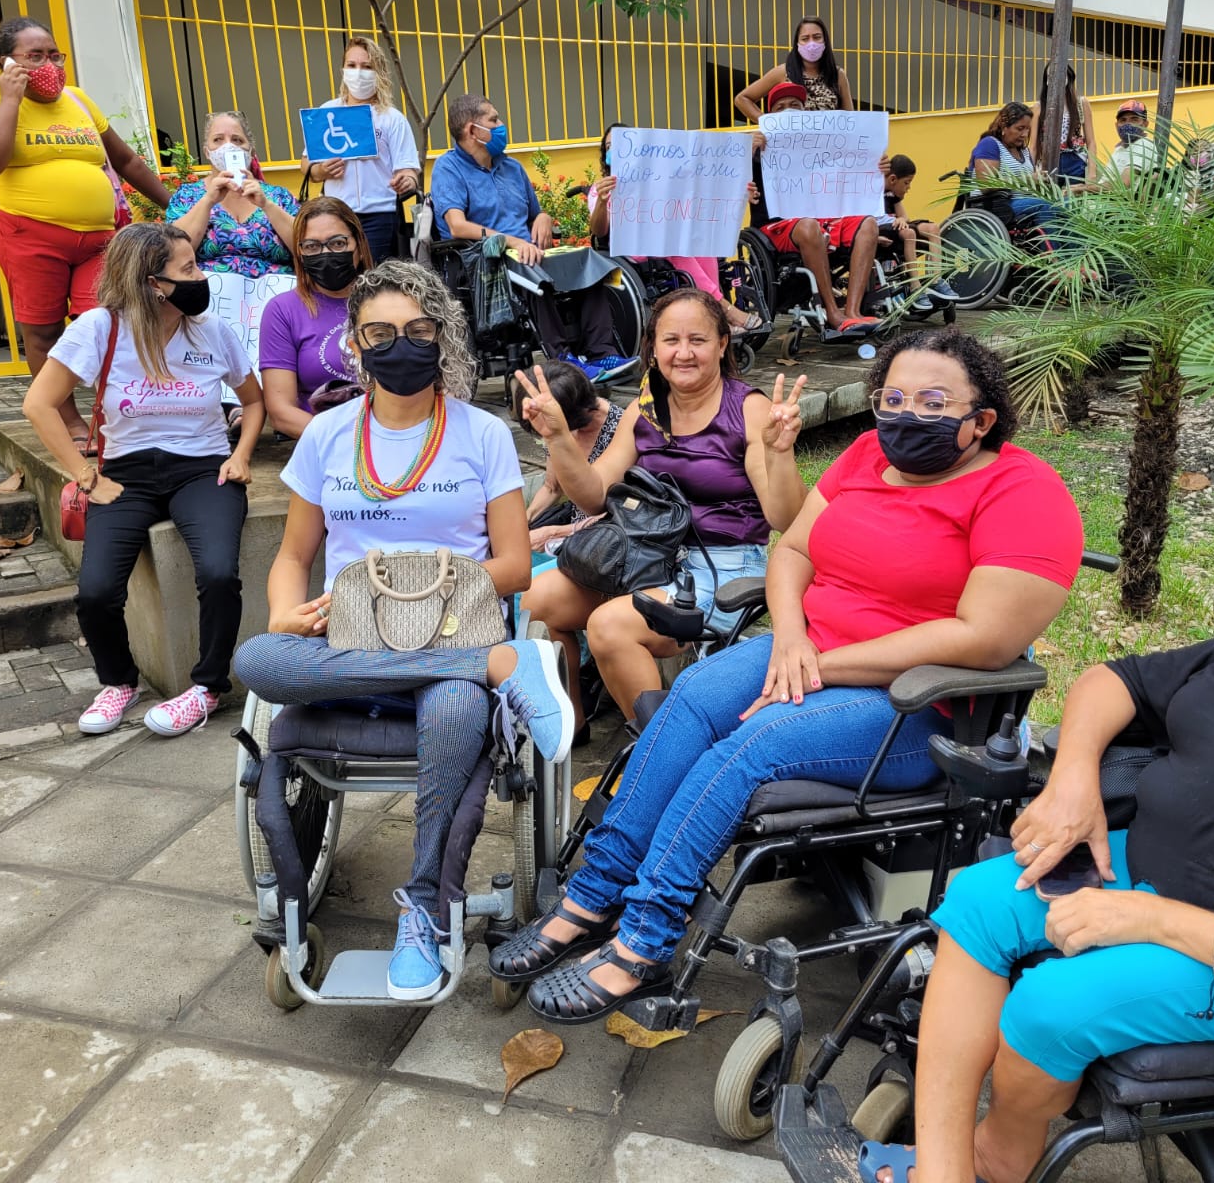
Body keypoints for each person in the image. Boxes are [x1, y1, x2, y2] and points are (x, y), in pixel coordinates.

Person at [862, 462, 1214, 1183]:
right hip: (1154, 875)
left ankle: (1000, 1154)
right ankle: (944, 1173)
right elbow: (1120, 680)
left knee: (1051, 1005)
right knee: (979, 901)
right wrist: (1074, 780)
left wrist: (1157, 921)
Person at [493, 328, 1085, 1022]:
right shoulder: (866, 454)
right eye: (892, 397)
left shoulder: (1023, 492)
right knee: (692, 696)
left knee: (749, 745)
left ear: (980, 419)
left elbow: (984, 638)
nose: (904, 415)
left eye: (931, 402)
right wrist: (793, 638)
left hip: (917, 700)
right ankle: (592, 896)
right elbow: (793, 551)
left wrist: (821, 664)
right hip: (809, 651)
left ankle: (645, 941)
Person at [230, 258, 578, 1001]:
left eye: (418, 330)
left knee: (453, 709)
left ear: (442, 337)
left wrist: (430, 592)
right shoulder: (326, 437)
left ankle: (422, 907)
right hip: (355, 642)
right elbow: (293, 557)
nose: (401, 345)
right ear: (355, 345)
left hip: (454, 625)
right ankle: (495, 668)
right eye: (381, 333)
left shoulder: (480, 434)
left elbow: (515, 565)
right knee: (258, 658)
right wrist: (286, 609)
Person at [519, 287, 809, 740]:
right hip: (645, 554)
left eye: (699, 339)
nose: (685, 352)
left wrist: (780, 453)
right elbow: (595, 495)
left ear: (722, 344)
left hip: (723, 566)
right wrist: (558, 437)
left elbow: (783, 518)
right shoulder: (646, 409)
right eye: (671, 340)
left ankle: (665, 754)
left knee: (610, 626)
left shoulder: (748, 409)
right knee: (536, 600)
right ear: (653, 347)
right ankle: (571, 725)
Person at [21, 223, 263, 738]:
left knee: (219, 574)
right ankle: (118, 683)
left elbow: (254, 400)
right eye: (189, 269)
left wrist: (240, 455)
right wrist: (86, 476)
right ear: (154, 282)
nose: (202, 277)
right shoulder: (99, 328)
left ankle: (206, 687)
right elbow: (38, 404)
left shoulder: (212, 330)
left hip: (202, 468)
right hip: (127, 473)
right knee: (96, 592)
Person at [0, 16, 171, 447]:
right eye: (35, 56)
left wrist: (178, 205)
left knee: (108, 324)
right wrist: (9, 101)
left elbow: (127, 161)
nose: (50, 64)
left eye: (55, 55)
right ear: (7, 62)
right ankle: (68, 420)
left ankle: (117, 412)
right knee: (43, 332)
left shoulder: (77, 99)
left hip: (99, 239)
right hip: (30, 234)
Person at [430, 95, 639, 385]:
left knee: (588, 261)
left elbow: (535, 214)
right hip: (486, 257)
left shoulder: (512, 168)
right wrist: (511, 242)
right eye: (494, 120)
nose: (502, 125)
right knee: (529, 264)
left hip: (527, 251)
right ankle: (563, 358)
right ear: (472, 130)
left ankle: (601, 352)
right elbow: (456, 226)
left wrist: (542, 218)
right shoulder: (448, 168)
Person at [587, 122, 762, 333]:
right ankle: (723, 310)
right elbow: (599, 231)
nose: (613, 150)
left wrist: (738, 193)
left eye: (621, 144)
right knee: (672, 245)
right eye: (608, 147)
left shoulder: (658, 180)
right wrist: (603, 202)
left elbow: (700, 196)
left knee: (699, 243)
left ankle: (712, 316)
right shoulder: (600, 189)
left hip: (665, 241)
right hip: (631, 251)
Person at [750, 81, 882, 334]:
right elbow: (731, 185)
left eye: (795, 106)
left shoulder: (825, 147)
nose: (789, 112)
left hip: (821, 220)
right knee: (809, 226)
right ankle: (833, 312)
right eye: (780, 108)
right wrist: (749, 151)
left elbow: (854, 172)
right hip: (774, 226)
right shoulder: (757, 149)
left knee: (867, 223)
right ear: (769, 118)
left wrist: (877, 168)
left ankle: (853, 311)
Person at [258, 195, 372, 439]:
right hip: (323, 443)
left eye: (338, 243)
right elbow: (281, 411)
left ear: (359, 246)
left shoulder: (391, 298)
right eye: (312, 246)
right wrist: (351, 444)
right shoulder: (283, 310)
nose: (326, 253)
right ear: (299, 253)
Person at [300, 36, 419, 261]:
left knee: (375, 279)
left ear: (379, 72)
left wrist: (406, 181)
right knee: (339, 275)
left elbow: (408, 170)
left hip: (381, 216)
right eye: (352, 65)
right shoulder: (327, 111)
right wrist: (321, 171)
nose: (358, 72)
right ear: (343, 69)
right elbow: (306, 164)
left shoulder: (392, 118)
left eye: (367, 67)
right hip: (336, 214)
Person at [166, 111, 298, 278]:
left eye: (237, 140)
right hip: (209, 298)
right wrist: (208, 201)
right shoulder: (187, 196)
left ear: (250, 151)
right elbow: (172, 254)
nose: (228, 146)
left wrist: (267, 205)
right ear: (207, 152)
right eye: (218, 140)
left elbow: (306, 247)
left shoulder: (279, 197)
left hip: (273, 298)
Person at [513, 358, 625, 550]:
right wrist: (524, 521)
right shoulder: (552, 423)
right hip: (575, 526)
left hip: (613, 534)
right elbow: (552, 487)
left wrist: (556, 532)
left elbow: (627, 512)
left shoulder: (623, 430)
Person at [734, 14, 853, 117]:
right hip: (791, 142)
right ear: (797, 43)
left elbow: (850, 118)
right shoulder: (784, 72)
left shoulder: (838, 75)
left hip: (829, 142)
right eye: (805, 39)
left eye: (817, 37)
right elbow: (742, 99)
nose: (811, 43)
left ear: (825, 40)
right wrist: (766, 123)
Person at [970, 101, 1058, 238]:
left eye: (1027, 129)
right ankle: (1055, 257)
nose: (1024, 134)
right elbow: (986, 184)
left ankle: (1074, 256)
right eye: (1020, 128)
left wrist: (1040, 181)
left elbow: (1030, 182)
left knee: (1063, 207)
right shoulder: (989, 144)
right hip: (996, 206)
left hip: (1023, 202)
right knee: (1044, 206)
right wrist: (1027, 179)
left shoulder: (1024, 151)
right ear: (1004, 127)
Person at [882, 154, 959, 310]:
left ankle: (936, 279)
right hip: (882, 227)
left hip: (898, 226)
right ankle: (915, 287)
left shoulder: (893, 196)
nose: (909, 188)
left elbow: (904, 216)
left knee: (934, 228)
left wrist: (902, 219)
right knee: (909, 233)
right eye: (906, 183)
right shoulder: (872, 193)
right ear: (892, 180)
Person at [1034, 65, 1097, 184]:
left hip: (1075, 160)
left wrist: (1092, 172)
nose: (1055, 79)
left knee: (1072, 200)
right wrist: (1032, 172)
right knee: (1051, 201)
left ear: (1068, 77)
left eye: (1059, 75)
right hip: (1048, 163)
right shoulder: (1039, 107)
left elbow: (1091, 141)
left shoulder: (1081, 103)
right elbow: (1033, 146)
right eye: (1050, 76)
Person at [1108, 99, 1158, 185]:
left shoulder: (1145, 145)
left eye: (1134, 119)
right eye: (1123, 120)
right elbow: (1104, 181)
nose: (1128, 124)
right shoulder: (1119, 149)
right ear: (1116, 125)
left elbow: (1123, 184)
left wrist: (1084, 188)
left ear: (1145, 124)